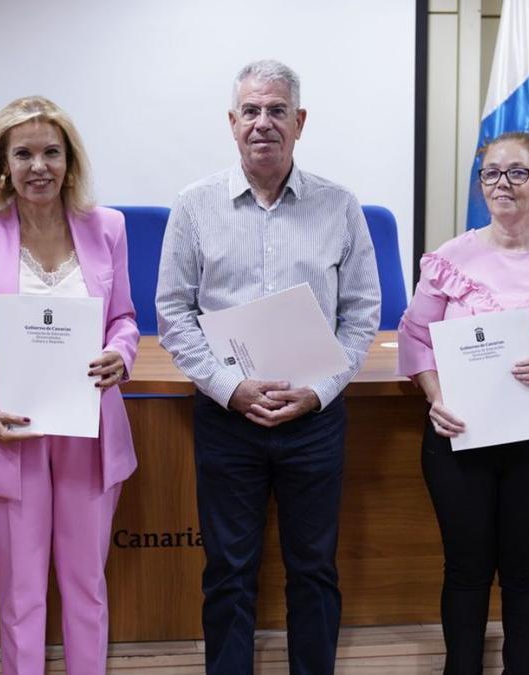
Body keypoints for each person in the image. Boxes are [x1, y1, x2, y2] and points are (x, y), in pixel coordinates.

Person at [155, 59, 380, 675]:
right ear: (232, 123)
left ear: (299, 122)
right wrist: (230, 388)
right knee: (227, 572)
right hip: (229, 417)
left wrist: (319, 390)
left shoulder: (340, 207)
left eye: (277, 110)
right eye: (250, 111)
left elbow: (362, 317)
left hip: (314, 418)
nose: (263, 123)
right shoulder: (194, 206)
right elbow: (173, 313)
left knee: (314, 569)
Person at [397, 131, 529, 673]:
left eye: (518, 173)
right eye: (492, 173)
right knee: (465, 570)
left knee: (527, 572)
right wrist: (435, 394)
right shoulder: (450, 258)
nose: (503, 184)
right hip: (460, 435)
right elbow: (415, 336)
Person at [0, 96, 138, 675]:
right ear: (3, 164)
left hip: (89, 426)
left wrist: (119, 354)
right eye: (23, 153)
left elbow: (124, 318)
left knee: (86, 584)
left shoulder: (107, 228)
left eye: (51, 152)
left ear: (69, 161)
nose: (38, 166)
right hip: (10, 433)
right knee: (22, 591)